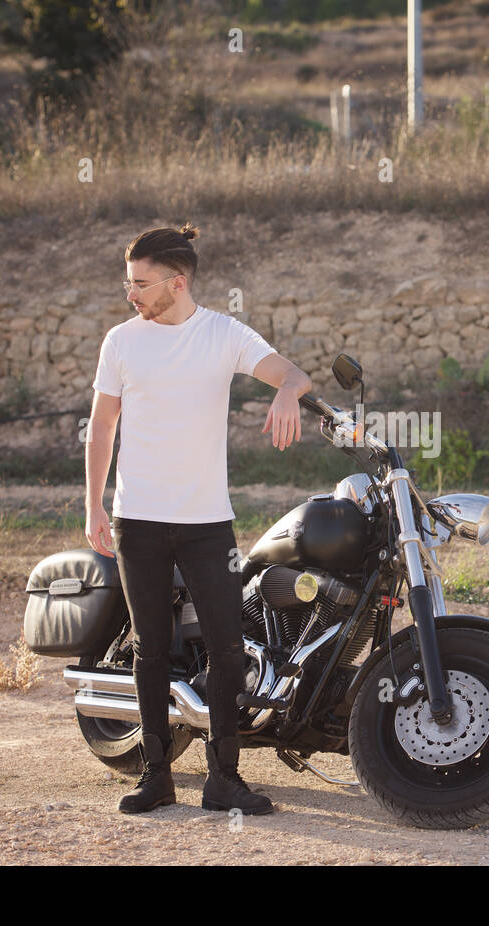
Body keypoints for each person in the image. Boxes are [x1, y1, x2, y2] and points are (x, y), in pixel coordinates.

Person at [83, 222, 312, 815]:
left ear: (175, 282)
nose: (130, 294)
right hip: (138, 519)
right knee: (151, 648)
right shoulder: (121, 342)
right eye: (128, 283)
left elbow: (294, 372)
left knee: (228, 647)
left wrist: (286, 392)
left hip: (208, 522)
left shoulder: (224, 334)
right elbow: (103, 425)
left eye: (139, 283)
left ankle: (224, 778)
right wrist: (93, 504)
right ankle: (156, 776)